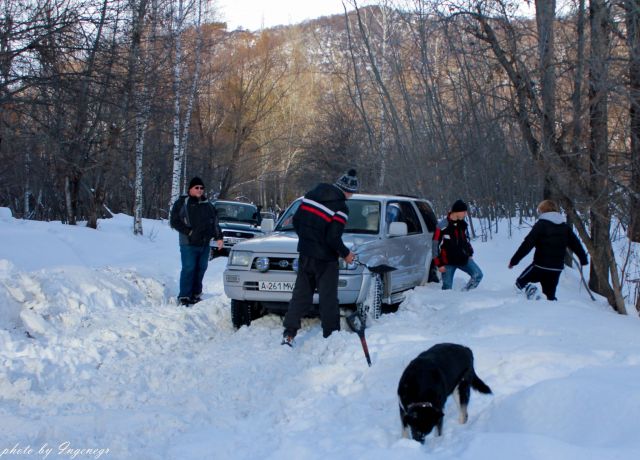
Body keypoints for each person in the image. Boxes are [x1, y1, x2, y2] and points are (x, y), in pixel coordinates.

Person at [281, 169, 358, 346]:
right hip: (325, 259)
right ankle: (331, 337)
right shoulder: (341, 207)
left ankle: (289, 334)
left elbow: (297, 220)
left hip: (306, 253)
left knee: (300, 296)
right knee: (328, 298)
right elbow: (332, 238)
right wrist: (346, 254)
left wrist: (308, 240)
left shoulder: (310, 195)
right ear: (349, 191)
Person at [509, 199, 588, 301]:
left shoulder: (541, 225)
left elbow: (527, 244)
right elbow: (576, 244)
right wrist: (583, 259)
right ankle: (548, 308)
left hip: (539, 266)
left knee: (519, 284)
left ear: (542, 211)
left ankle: (533, 294)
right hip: (556, 269)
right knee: (549, 296)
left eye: (539, 210)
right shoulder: (565, 227)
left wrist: (514, 261)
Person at [170, 177, 223, 306]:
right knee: (189, 268)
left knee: (201, 268)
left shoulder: (208, 204)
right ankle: (184, 296)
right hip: (188, 243)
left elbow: (214, 222)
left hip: (205, 243)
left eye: (201, 188)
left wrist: (219, 237)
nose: (199, 190)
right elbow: (174, 221)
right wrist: (189, 232)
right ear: (190, 189)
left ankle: (195, 294)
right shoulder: (182, 202)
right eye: (196, 188)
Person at [432, 199, 483, 291]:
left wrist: (470, 254)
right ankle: (448, 303)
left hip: (463, 259)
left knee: (478, 275)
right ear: (457, 212)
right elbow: (435, 246)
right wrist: (439, 264)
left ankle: (465, 294)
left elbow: (466, 241)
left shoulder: (463, 224)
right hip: (448, 263)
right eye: (464, 212)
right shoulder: (442, 226)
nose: (465, 214)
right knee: (447, 289)